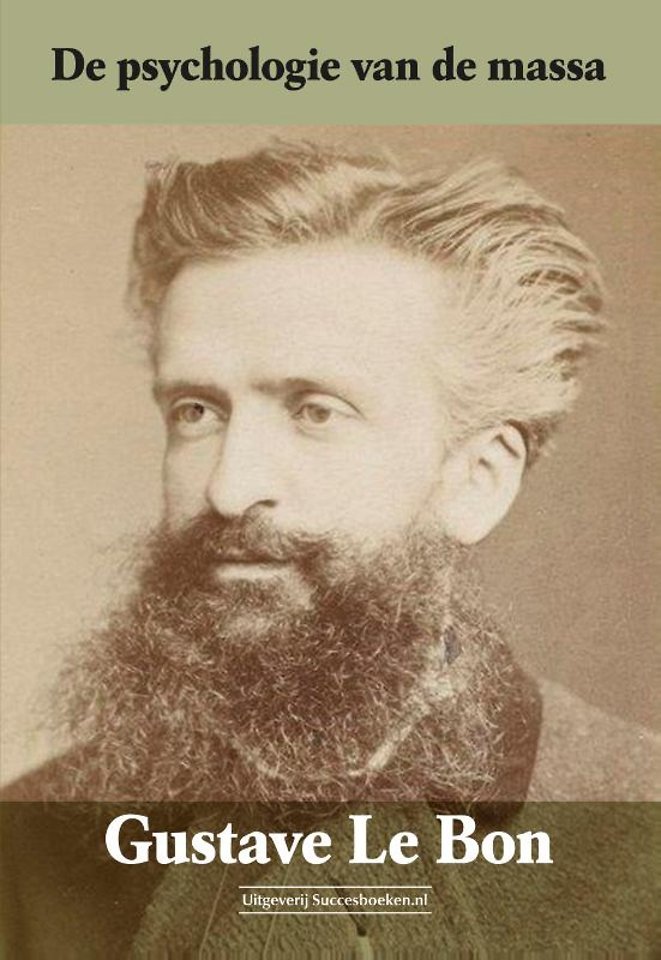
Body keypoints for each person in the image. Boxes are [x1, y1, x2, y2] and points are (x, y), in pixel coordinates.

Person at [2, 141, 658, 956]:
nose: (229, 488)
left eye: (315, 410)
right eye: (197, 411)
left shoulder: (635, 831)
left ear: (476, 479)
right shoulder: (28, 844)